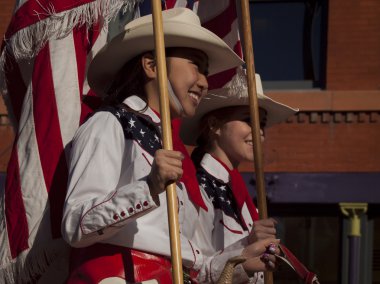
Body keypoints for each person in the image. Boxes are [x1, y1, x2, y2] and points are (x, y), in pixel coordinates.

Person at [61, 8, 279, 284]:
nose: (203, 82)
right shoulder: (109, 124)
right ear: (151, 66)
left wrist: (242, 259)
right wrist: (148, 186)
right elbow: (75, 224)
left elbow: (194, 268)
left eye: (206, 72)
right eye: (196, 66)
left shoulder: (173, 157)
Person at [181, 73, 298, 283]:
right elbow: (190, 272)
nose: (259, 131)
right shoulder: (195, 187)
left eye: (261, 123)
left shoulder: (243, 198)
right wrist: (247, 248)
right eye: (248, 119)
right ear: (214, 125)